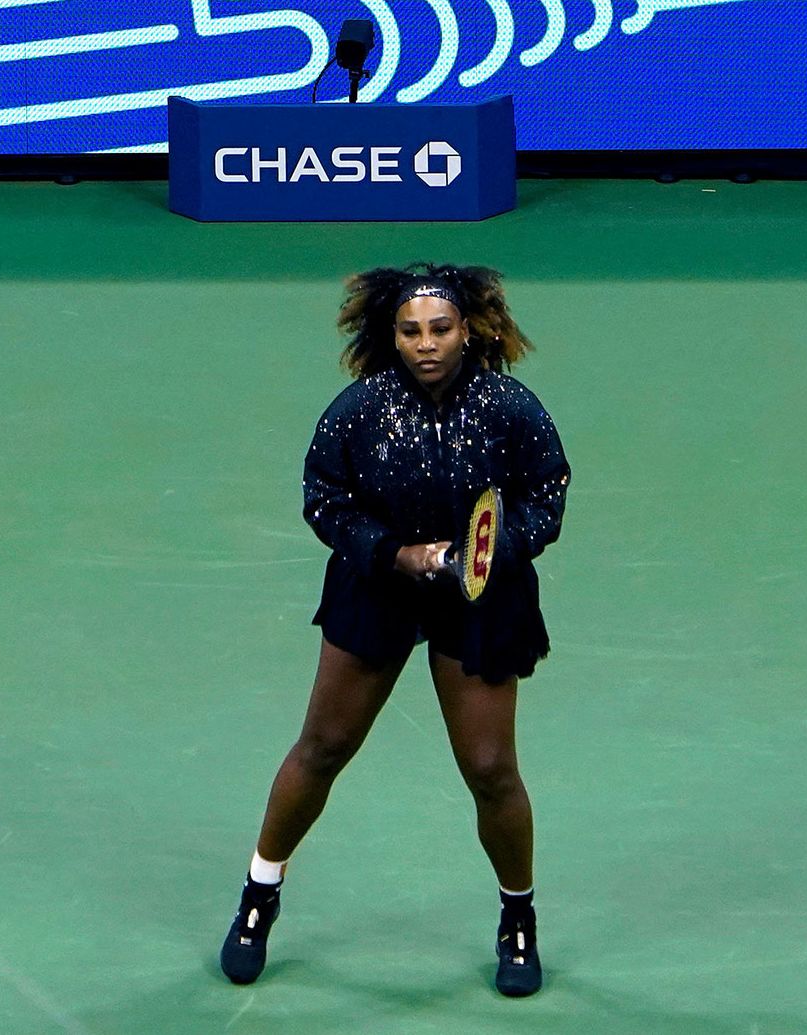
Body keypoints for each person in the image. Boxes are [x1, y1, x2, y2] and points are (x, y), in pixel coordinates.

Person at [217, 263, 572, 997]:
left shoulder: (511, 407)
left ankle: (518, 919)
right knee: (323, 745)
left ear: (469, 329)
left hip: (478, 594)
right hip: (377, 585)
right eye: (410, 331)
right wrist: (392, 552)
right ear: (392, 336)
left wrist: (489, 551)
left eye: (440, 328)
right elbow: (324, 498)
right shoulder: (356, 410)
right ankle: (259, 895)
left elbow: (547, 494)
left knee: (490, 769)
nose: (427, 344)